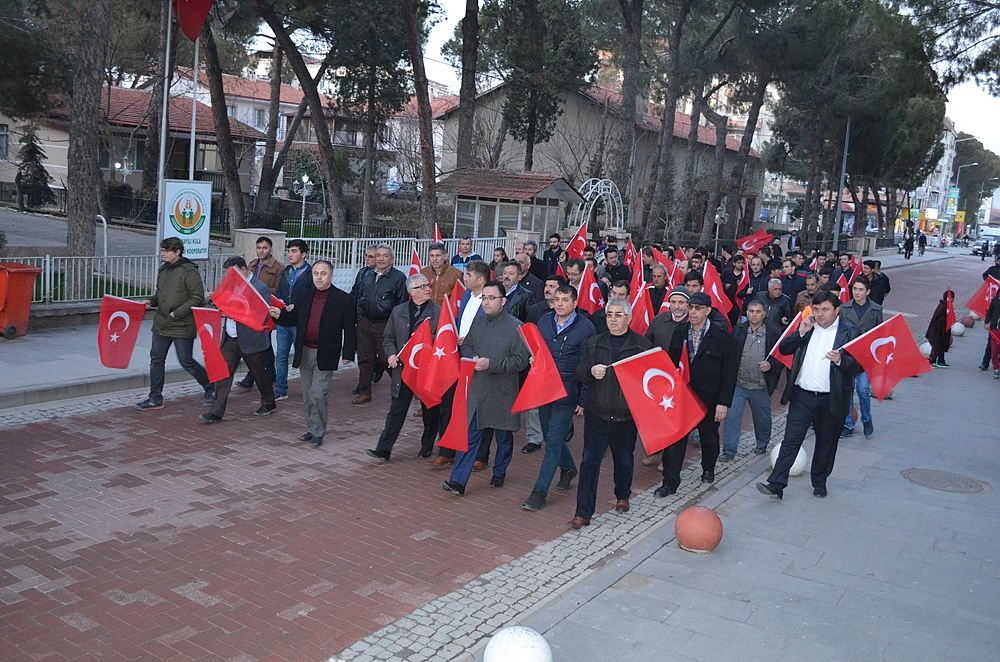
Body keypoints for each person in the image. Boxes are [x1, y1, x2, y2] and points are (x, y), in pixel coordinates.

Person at [757, 290, 862, 500]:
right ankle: (776, 483)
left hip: (831, 398)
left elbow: (859, 365)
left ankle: (820, 481)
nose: (820, 314)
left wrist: (841, 361)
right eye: (817, 309)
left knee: (826, 443)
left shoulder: (849, 332)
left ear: (837, 311)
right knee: (791, 440)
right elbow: (784, 348)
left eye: (825, 309)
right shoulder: (807, 327)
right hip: (802, 396)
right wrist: (800, 333)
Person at [569, 298, 652, 529]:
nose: (613, 319)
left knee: (624, 460)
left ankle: (623, 494)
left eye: (618, 315)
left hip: (625, 417)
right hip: (598, 414)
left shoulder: (641, 346)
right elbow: (579, 371)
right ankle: (583, 513)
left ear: (629, 318)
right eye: (609, 315)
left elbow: (650, 381)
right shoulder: (594, 344)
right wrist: (589, 371)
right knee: (589, 463)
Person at [442, 281, 531, 495]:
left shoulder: (516, 326)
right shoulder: (478, 321)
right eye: (484, 298)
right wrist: (472, 356)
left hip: (502, 391)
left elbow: (520, 361)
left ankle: (499, 472)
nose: (487, 302)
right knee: (471, 434)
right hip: (479, 389)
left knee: (503, 436)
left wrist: (491, 364)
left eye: (492, 298)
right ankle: (458, 481)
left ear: (503, 301)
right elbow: (467, 344)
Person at [522, 285, 596, 511]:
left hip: (567, 391)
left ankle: (539, 492)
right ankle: (569, 468)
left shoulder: (586, 328)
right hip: (545, 387)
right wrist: (534, 360)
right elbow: (538, 349)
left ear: (575, 303)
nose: (560, 304)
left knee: (553, 440)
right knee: (548, 434)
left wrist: (583, 400)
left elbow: (587, 365)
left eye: (565, 300)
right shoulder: (544, 321)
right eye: (557, 299)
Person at [655, 292, 737, 496]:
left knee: (709, 438)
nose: (693, 312)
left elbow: (729, 373)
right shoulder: (680, 332)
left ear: (708, 311)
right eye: (690, 307)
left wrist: (723, 403)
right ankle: (670, 481)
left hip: (709, 398)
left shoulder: (721, 337)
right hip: (683, 396)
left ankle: (708, 468)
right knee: (675, 442)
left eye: (698, 308)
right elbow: (672, 363)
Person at [272, 260, 356, 447]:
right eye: (316, 273)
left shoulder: (343, 299)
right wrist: (279, 315)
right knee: (308, 394)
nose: (319, 277)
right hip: (305, 351)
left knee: (318, 393)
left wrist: (348, 353)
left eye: (323, 274)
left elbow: (349, 328)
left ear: (331, 276)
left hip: (326, 353)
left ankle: (319, 432)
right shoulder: (305, 295)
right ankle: (311, 428)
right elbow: (295, 318)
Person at [366, 273, 442, 461]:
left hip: (426, 371)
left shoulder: (438, 312)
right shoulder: (398, 311)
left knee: (430, 412)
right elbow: (388, 337)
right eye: (422, 287)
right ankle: (383, 449)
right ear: (411, 292)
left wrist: (425, 342)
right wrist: (391, 354)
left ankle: (427, 446)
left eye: (428, 286)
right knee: (396, 411)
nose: (427, 289)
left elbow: (443, 340)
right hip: (403, 370)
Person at [134, 237, 214, 411]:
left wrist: (178, 313)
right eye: (162, 251)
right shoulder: (163, 270)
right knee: (156, 360)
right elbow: (160, 294)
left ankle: (210, 387)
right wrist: (151, 301)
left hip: (182, 325)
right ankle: (155, 397)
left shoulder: (189, 271)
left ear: (177, 252)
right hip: (162, 323)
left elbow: (197, 298)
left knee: (186, 361)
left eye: (166, 251)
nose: (163, 254)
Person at [200, 256, 276, 423]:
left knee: (259, 374)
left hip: (252, 339)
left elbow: (261, 315)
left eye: (231, 274)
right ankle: (215, 412)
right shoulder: (231, 286)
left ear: (243, 270)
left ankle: (269, 403)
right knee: (223, 374)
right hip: (230, 338)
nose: (229, 278)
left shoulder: (260, 288)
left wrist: (233, 314)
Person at [430, 260, 490, 468]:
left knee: (479, 408)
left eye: (469, 275)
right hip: (458, 357)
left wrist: (470, 340)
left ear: (480, 279)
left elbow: (494, 330)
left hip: (479, 360)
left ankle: (481, 455)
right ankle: (447, 450)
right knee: (449, 403)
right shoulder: (465, 295)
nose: (464, 278)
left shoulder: (492, 300)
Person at [720, 299, 780, 460]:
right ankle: (729, 450)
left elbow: (780, 357)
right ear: (746, 313)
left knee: (762, 418)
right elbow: (730, 355)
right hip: (739, 384)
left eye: (758, 311)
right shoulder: (738, 330)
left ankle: (762, 443)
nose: (754, 315)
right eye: (751, 311)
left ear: (764, 314)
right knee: (732, 418)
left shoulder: (773, 333)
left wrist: (771, 365)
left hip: (761, 385)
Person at [352, 244, 407, 404]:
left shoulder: (399, 278)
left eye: (385, 255)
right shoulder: (367, 274)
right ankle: (364, 391)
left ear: (392, 259)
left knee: (386, 359)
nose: (381, 259)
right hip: (365, 323)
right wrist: (359, 317)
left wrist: (395, 327)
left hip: (385, 325)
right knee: (365, 359)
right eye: (379, 255)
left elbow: (401, 304)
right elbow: (359, 296)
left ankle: (402, 389)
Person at [236, 237, 283, 391]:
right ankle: (270, 373)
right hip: (250, 310)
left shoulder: (278, 268)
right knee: (264, 344)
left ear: (270, 249)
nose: (261, 251)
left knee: (262, 342)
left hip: (267, 311)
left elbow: (279, 289)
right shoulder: (252, 265)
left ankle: (252, 377)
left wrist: (259, 291)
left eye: (264, 248)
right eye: (258, 248)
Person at [839, 275, 882, 438]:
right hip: (848, 355)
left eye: (861, 290)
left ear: (867, 292)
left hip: (866, 356)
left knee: (863, 389)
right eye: (855, 289)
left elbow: (879, 334)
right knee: (848, 390)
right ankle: (847, 424)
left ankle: (866, 418)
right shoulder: (844, 308)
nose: (857, 293)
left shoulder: (876, 309)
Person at [273, 239, 313, 401]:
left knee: (303, 356)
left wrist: (296, 305)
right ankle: (281, 388)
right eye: (289, 251)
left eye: (294, 251)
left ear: (303, 254)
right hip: (284, 321)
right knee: (281, 356)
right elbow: (280, 291)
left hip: (300, 322)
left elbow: (312, 296)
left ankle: (309, 388)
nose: (290, 254)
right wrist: (279, 301)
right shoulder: (286, 271)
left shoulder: (310, 273)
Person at [422, 242, 463, 306]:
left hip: (446, 310)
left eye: (438, 255)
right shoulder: (423, 273)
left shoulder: (456, 274)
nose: (434, 259)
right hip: (427, 309)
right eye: (432, 256)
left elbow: (459, 299)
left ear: (445, 256)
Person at [925, 291, 953, 369]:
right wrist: (948, 318)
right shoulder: (942, 307)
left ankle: (941, 360)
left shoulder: (946, 306)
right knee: (936, 346)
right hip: (937, 331)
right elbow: (939, 318)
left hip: (942, 331)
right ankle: (932, 361)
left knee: (942, 346)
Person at [985, 286, 1000, 378]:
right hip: (995, 329)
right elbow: (989, 312)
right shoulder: (995, 300)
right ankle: (996, 369)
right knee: (994, 351)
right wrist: (986, 322)